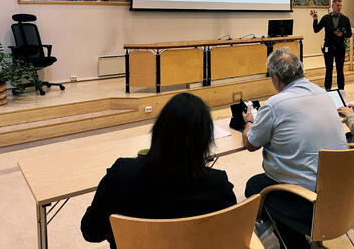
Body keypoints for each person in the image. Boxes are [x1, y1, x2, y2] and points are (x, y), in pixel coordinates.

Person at [81, 93, 237, 249]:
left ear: (158, 131)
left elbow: (91, 232)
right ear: (205, 140)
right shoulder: (219, 186)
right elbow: (231, 237)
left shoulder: (122, 174)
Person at [242, 48, 348, 249]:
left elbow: (250, 144)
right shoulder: (323, 94)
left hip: (310, 203)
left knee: (255, 187)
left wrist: (249, 122)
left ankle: (295, 244)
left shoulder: (275, 105)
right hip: (343, 195)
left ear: (275, 79)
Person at [310, 0, 352, 91]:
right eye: (337, 5)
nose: (339, 7)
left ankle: (341, 90)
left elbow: (349, 34)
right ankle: (328, 90)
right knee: (329, 69)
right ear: (332, 6)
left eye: (340, 5)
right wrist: (315, 19)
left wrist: (342, 34)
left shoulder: (345, 19)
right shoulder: (326, 18)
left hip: (340, 47)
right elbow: (316, 30)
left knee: (340, 70)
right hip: (328, 46)